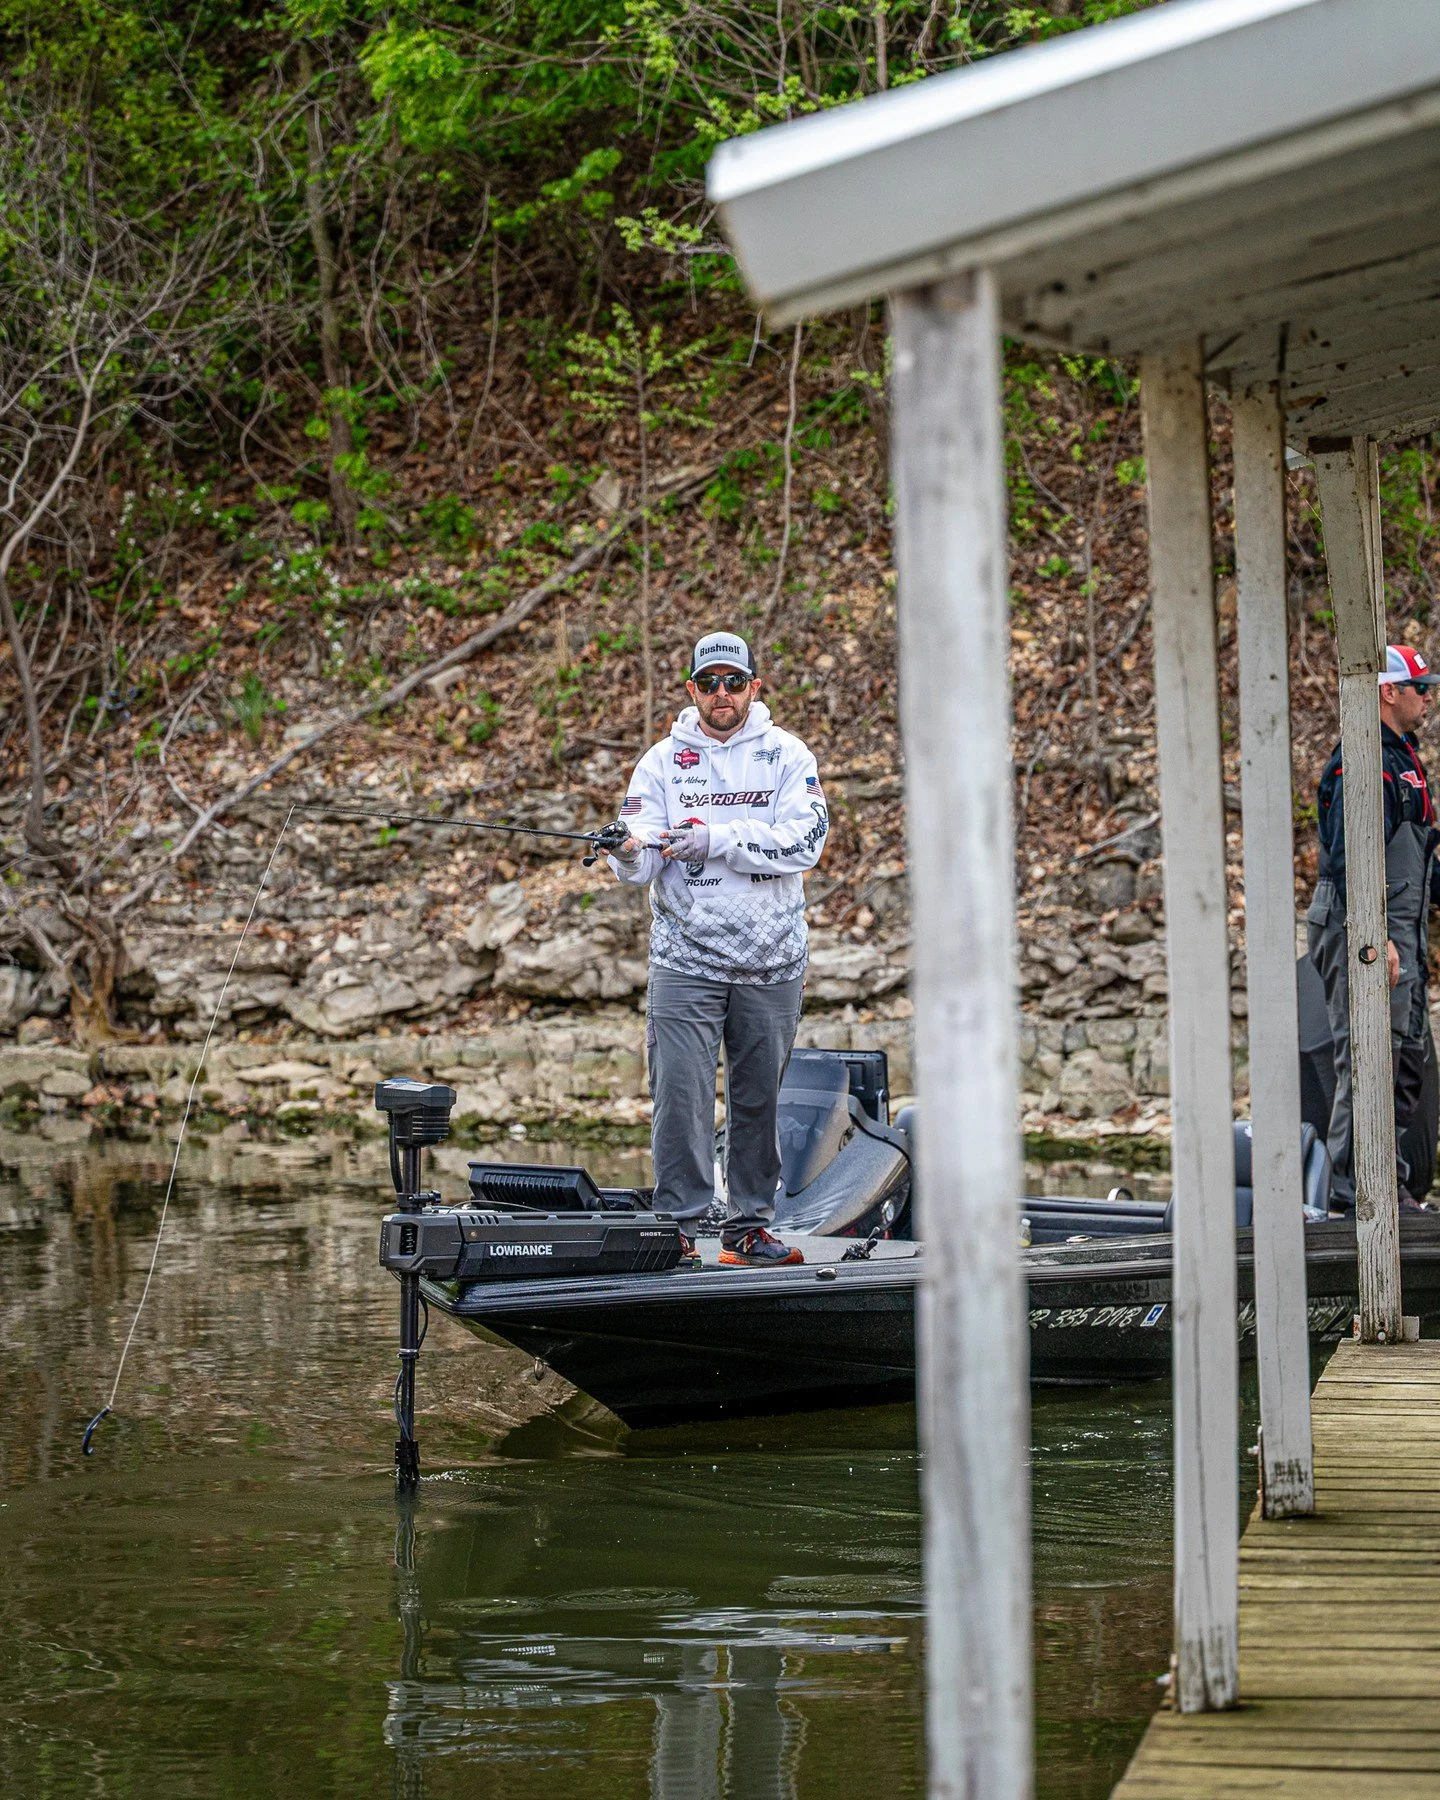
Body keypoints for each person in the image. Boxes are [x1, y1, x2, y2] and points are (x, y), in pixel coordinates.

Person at [607, 630, 829, 1267]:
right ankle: (677, 1228)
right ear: (692, 690)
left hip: (772, 961)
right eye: (709, 683)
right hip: (685, 960)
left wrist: (717, 839)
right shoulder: (660, 763)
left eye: (733, 681)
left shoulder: (788, 755)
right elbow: (641, 861)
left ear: (754, 687)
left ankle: (749, 1229)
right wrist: (627, 851)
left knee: (758, 1100)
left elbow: (805, 843)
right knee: (680, 1097)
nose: (721, 693)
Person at [1307, 643, 1440, 1208]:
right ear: (1389, 692)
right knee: (1366, 1057)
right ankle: (1351, 1195)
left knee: (1404, 1059)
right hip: (1362, 926)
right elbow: (1349, 856)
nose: (1428, 699)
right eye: (1421, 688)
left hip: (1403, 930)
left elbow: (1418, 858)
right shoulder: (1361, 759)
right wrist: (1372, 934)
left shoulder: (1404, 758)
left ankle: (1391, 1183)